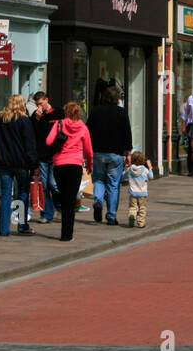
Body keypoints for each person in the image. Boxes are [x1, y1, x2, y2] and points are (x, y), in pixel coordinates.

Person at [45, 102, 92, 241]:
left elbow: (48, 141)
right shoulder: (82, 127)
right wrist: (90, 165)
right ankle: (67, 234)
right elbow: (89, 149)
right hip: (75, 165)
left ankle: (62, 224)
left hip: (59, 164)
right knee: (71, 200)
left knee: (62, 195)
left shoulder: (59, 124)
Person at [0, 94, 37, 237]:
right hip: (20, 163)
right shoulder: (24, 120)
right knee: (22, 193)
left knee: (5, 195)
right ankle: (22, 225)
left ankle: (4, 228)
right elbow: (29, 145)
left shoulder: (1, 119)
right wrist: (34, 163)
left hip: (3, 162)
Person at [86, 84, 132, 226]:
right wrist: (128, 152)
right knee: (113, 184)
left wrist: (88, 152)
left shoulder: (95, 111)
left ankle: (98, 200)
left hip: (98, 152)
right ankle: (111, 215)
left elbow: (88, 132)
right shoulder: (121, 112)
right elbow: (127, 133)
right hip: (115, 153)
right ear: (117, 98)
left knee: (99, 179)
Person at [30, 92, 63, 224]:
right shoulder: (36, 116)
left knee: (53, 184)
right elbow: (34, 134)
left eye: (41, 103)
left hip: (56, 154)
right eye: (37, 104)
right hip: (42, 155)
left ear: (46, 100)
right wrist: (37, 119)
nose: (39, 106)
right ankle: (46, 214)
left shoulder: (58, 113)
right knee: (44, 186)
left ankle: (61, 207)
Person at [125, 150, 153, 228]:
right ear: (143, 160)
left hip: (132, 193)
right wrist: (150, 168)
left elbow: (123, 176)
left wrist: (126, 167)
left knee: (132, 207)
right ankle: (141, 223)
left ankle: (132, 215)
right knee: (142, 208)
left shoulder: (130, 169)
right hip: (142, 193)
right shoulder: (145, 170)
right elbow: (151, 177)